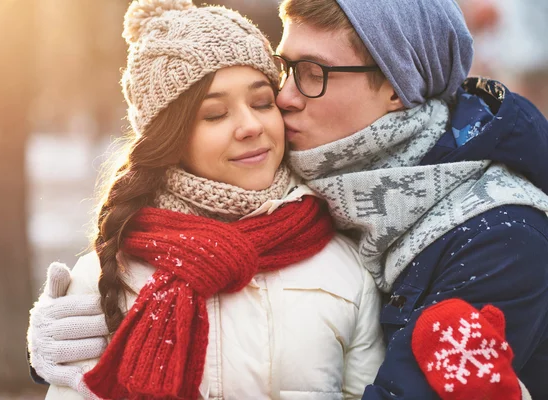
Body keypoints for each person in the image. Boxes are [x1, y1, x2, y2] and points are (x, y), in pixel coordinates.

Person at [29, 0, 548, 398]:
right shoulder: (326, 178)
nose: (283, 99)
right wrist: (92, 321)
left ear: (397, 87)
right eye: (286, 69)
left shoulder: (499, 238)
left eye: (314, 73)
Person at [28, 1, 385, 399]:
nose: (250, 126)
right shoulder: (108, 274)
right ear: (171, 138)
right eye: (215, 114)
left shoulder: (343, 262)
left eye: (263, 102)